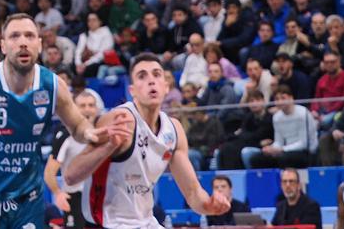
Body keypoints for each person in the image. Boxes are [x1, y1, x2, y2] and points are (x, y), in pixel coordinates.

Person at [0, 15, 109, 229]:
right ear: (3, 46)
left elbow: (78, 125)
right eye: (15, 36)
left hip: (28, 201)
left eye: (30, 36)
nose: (23, 42)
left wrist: (89, 133)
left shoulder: (52, 85)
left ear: (39, 45)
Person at [64, 53, 230, 228]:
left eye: (156, 74)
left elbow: (192, 192)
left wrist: (209, 206)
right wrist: (108, 147)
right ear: (132, 90)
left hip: (145, 222)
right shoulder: (119, 119)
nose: (151, 81)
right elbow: (71, 176)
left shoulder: (173, 130)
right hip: (108, 223)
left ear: (166, 87)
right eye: (142, 76)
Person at [45, 90, 100, 229]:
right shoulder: (65, 135)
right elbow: (49, 172)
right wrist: (58, 193)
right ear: (74, 109)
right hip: (75, 197)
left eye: (91, 105)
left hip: (99, 196)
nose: (87, 109)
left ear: (96, 109)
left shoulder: (103, 132)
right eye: (82, 105)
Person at [242, 85, 317, 169]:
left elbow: (303, 144)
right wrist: (271, 149)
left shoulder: (303, 113)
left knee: (283, 159)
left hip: (305, 151)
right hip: (285, 150)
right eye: (277, 99)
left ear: (291, 98)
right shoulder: (277, 117)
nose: (280, 102)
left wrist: (281, 149)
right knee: (257, 159)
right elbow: (279, 141)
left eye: (283, 98)